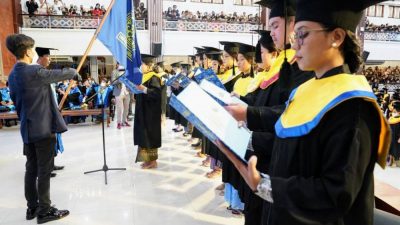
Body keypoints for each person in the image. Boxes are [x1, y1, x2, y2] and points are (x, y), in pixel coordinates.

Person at [216, 0, 391, 224]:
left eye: (303, 34)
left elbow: (335, 194)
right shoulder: (303, 91)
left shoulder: (353, 107)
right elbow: (288, 147)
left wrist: (265, 186)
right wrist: (242, 141)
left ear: (336, 37)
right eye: (295, 35)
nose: (295, 45)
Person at [6, 34, 77, 224]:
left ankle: (33, 208)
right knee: (44, 171)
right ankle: (45, 211)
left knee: (31, 169)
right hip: (43, 129)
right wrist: (72, 71)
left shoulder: (12, 75)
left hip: (27, 130)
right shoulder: (34, 71)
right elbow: (55, 75)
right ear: (29, 51)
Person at [35, 47, 65, 178]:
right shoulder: (37, 73)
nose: (50, 59)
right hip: (43, 113)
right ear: (41, 58)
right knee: (45, 142)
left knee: (53, 140)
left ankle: (51, 164)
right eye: (48, 56)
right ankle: (44, 168)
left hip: (52, 110)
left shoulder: (45, 72)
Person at [134, 54, 162, 169]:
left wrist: (144, 89)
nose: (140, 67)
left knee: (150, 136)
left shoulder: (154, 77)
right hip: (142, 111)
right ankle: (146, 159)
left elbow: (156, 94)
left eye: (142, 64)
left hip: (151, 113)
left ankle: (153, 161)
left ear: (148, 65)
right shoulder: (142, 77)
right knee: (143, 136)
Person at [111, 62, 131, 129]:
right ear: (117, 64)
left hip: (126, 92)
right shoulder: (114, 72)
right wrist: (120, 80)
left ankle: (124, 121)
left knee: (126, 108)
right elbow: (113, 82)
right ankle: (119, 123)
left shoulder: (126, 71)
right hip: (118, 92)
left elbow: (130, 81)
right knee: (119, 109)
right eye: (119, 64)